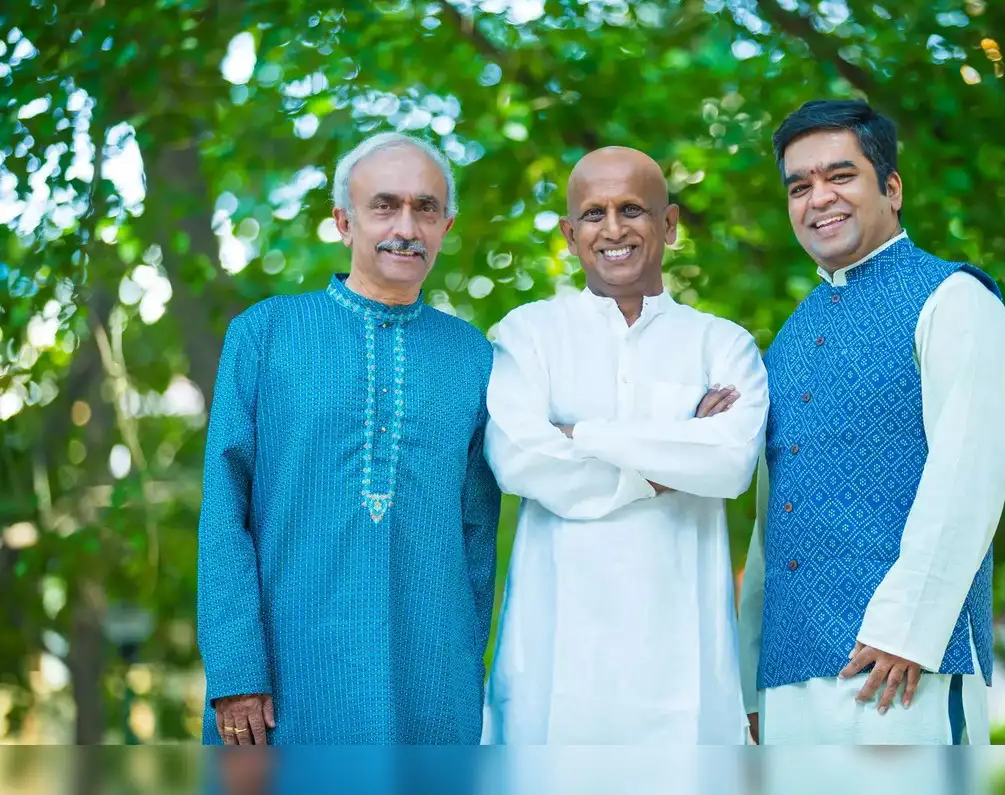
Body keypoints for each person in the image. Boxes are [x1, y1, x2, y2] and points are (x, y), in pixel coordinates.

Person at [197, 132, 501, 745]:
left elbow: (477, 533)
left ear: (446, 226)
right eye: (384, 206)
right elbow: (224, 509)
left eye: (426, 208)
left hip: (431, 682)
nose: (406, 227)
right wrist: (235, 668)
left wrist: (465, 674)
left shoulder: (473, 356)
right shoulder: (266, 334)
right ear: (344, 221)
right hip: (283, 684)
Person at [738, 100, 1005, 745]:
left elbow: (967, 480)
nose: (819, 198)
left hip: (905, 672)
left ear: (892, 188)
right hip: (788, 681)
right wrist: (750, 674)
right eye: (799, 186)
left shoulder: (954, 299)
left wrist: (906, 632)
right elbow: (769, 516)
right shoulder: (789, 337)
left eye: (841, 176)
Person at [482, 146, 768, 744]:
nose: (613, 229)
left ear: (669, 224)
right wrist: (669, 460)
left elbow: (729, 463)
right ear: (570, 235)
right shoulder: (528, 333)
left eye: (632, 209)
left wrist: (580, 434)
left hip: (686, 673)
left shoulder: (723, 344)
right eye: (594, 213)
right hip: (555, 670)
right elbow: (520, 460)